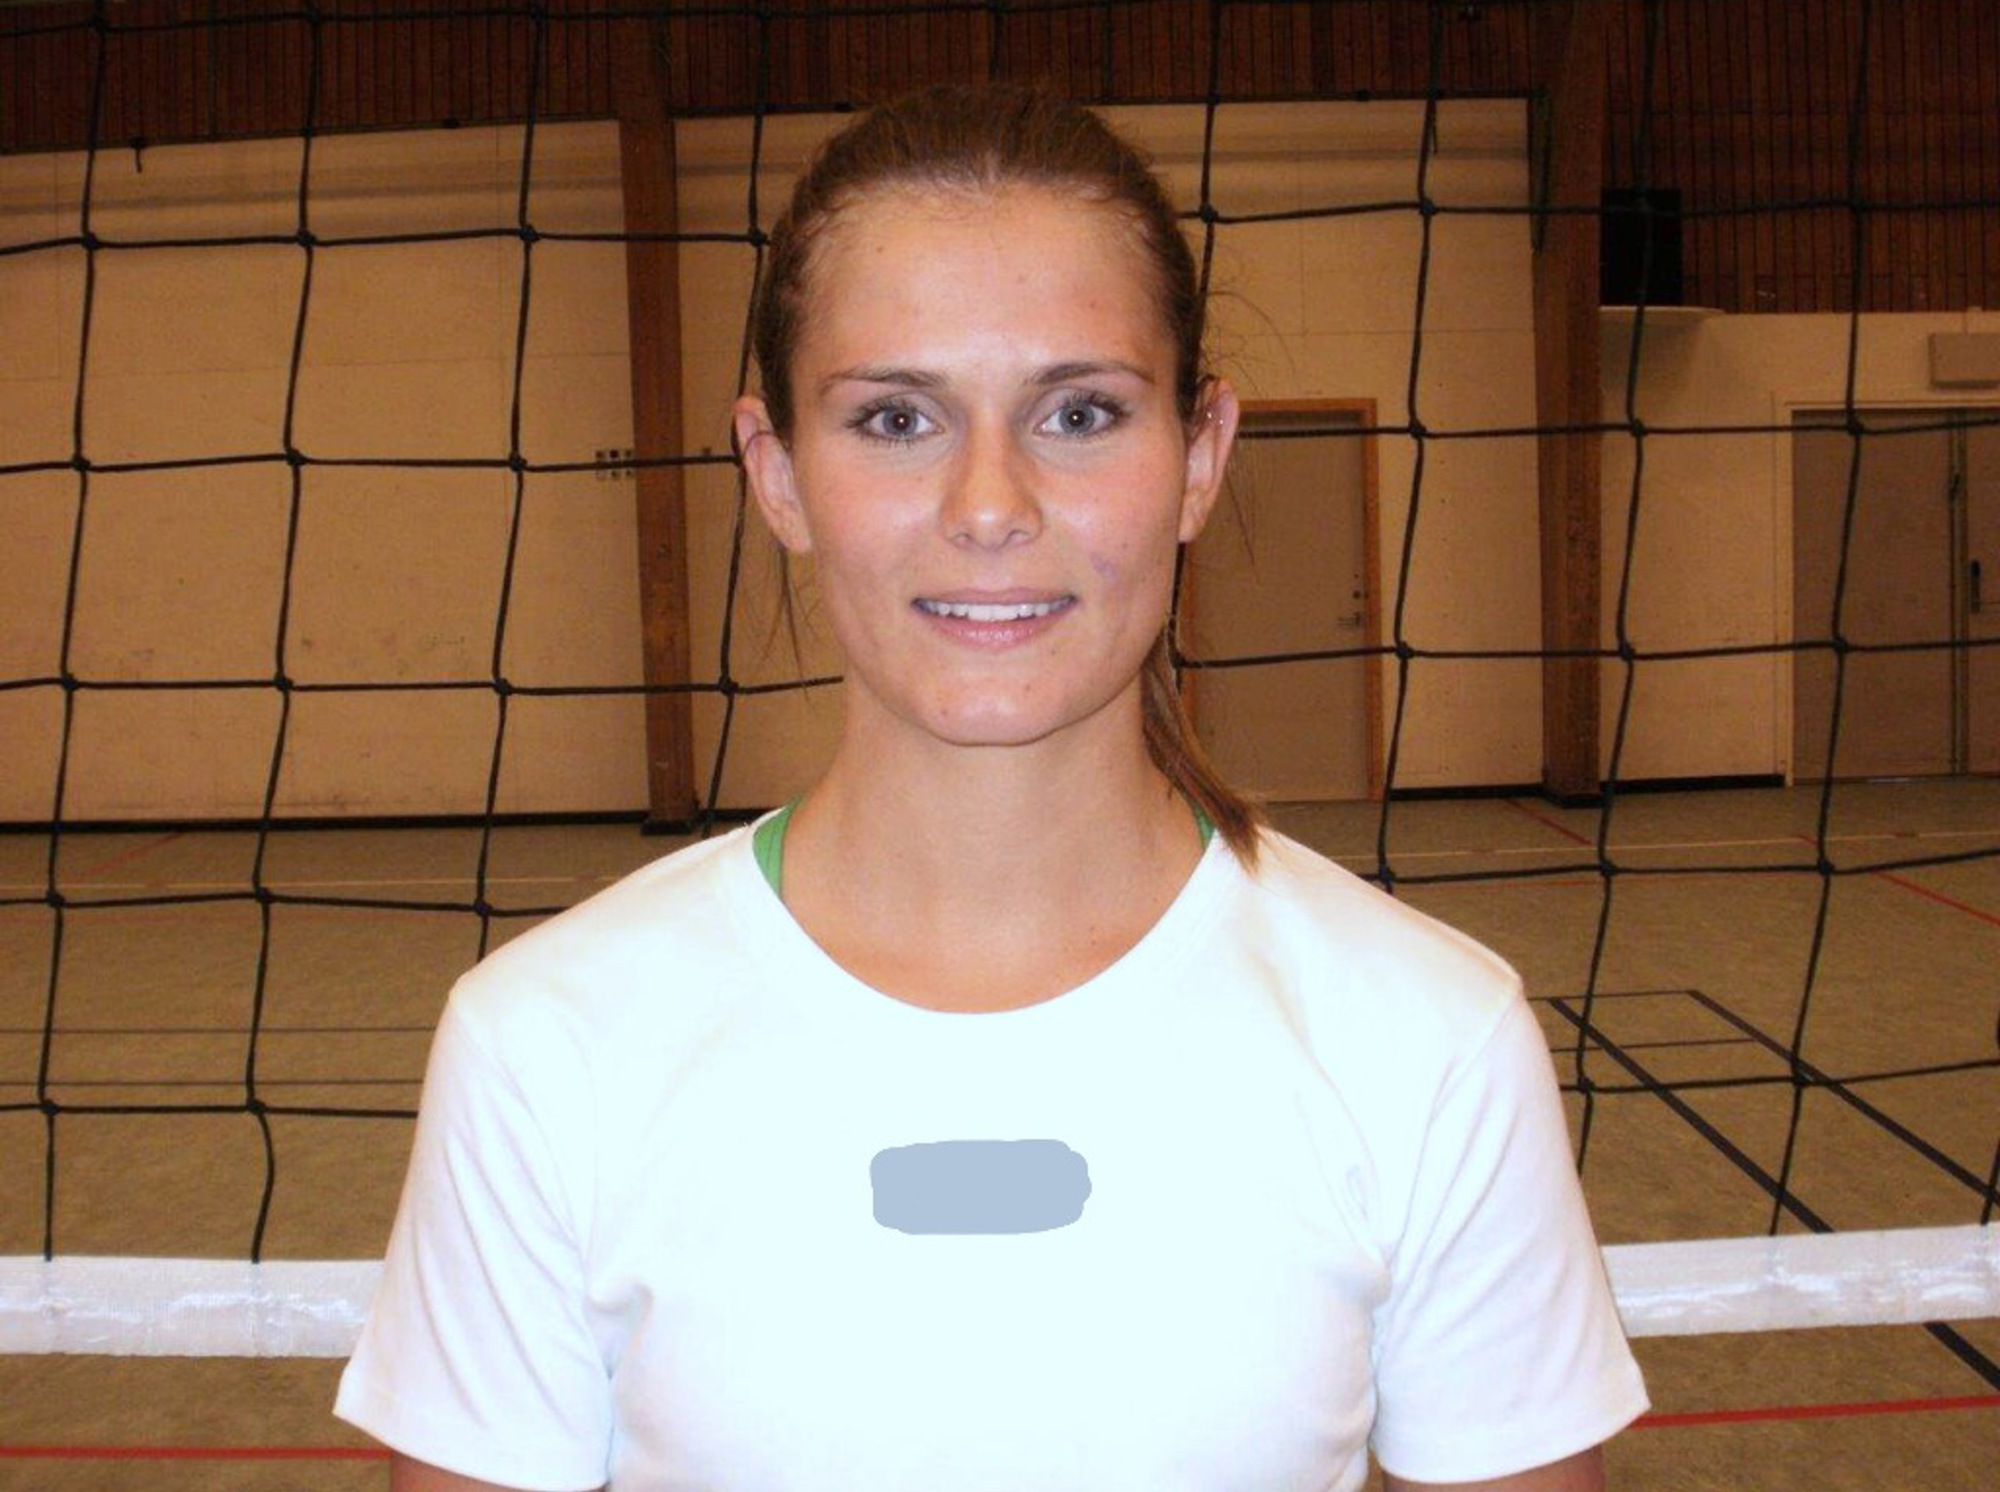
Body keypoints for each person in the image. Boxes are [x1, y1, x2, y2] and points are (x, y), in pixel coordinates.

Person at [335, 83, 1647, 1492]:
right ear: (777, 474)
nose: (988, 506)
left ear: (1200, 458)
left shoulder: (1427, 1041)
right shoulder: (547, 1050)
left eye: (1080, 412)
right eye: (896, 418)